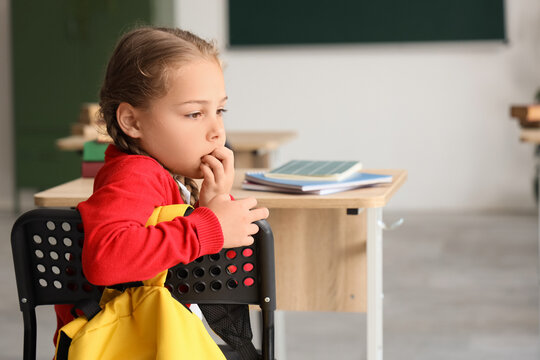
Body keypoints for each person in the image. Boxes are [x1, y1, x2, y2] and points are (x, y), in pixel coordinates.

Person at [53, 26, 269, 345]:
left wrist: (213, 203)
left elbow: (221, 279)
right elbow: (105, 260)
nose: (217, 132)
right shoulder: (135, 174)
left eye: (220, 110)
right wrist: (208, 227)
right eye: (195, 113)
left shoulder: (170, 178)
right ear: (132, 122)